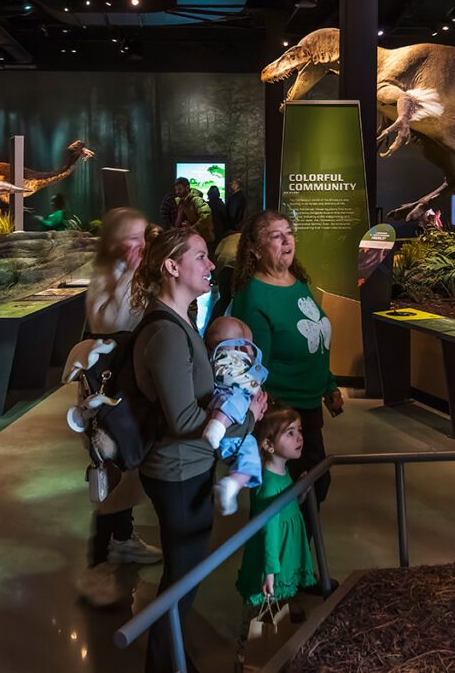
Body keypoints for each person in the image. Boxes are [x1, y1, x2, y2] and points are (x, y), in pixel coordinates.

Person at [131, 227, 267, 672]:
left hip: (188, 468)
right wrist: (248, 418)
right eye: (202, 257)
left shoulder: (182, 321)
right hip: (177, 471)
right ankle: (163, 662)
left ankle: (170, 653)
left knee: (184, 573)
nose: (212, 265)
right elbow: (185, 420)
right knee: (182, 579)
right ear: (172, 267)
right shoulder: (168, 333)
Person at [230, 210, 343, 516]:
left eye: (289, 233)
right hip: (282, 413)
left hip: (309, 406)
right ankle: (285, 562)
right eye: (275, 236)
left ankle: (298, 560)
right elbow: (254, 368)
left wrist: (329, 384)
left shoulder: (298, 282)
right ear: (255, 249)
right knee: (294, 494)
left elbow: (315, 341)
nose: (286, 240)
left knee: (312, 487)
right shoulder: (254, 296)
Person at [76, 208, 161, 608]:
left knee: (126, 468)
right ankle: (98, 563)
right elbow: (113, 320)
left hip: (130, 388)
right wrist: (132, 273)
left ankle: (123, 540)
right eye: (132, 239)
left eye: (144, 237)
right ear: (113, 243)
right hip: (110, 394)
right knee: (113, 470)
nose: (141, 246)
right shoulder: (106, 278)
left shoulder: (132, 274)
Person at [234, 404, 315, 666]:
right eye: (290, 433)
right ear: (268, 444)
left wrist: (299, 491)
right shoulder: (268, 482)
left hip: (283, 554)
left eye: (299, 430)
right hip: (271, 560)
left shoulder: (282, 472)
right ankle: (245, 658)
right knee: (258, 613)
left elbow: (287, 509)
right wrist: (269, 572)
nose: (299, 437)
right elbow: (269, 529)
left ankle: (270, 654)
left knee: (277, 608)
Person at [203, 316, 267, 516]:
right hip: (229, 426)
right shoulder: (227, 366)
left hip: (240, 433)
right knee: (235, 399)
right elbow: (243, 385)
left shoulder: (225, 365)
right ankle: (216, 426)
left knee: (251, 459)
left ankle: (231, 485)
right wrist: (255, 375)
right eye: (247, 345)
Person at [174, 178, 214, 243]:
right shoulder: (181, 201)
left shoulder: (196, 200)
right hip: (190, 238)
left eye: (180, 189)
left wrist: (193, 228)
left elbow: (206, 215)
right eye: (176, 190)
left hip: (202, 239)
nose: (177, 192)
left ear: (187, 188)